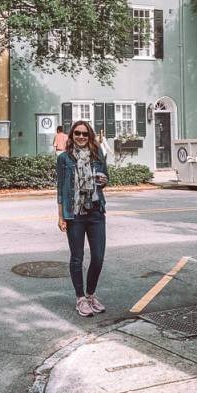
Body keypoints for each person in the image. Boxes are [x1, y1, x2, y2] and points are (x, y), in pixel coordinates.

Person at [56, 120, 109, 317]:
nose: (81, 137)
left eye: (85, 134)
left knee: (98, 257)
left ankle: (91, 294)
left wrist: (103, 181)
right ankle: (80, 298)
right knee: (77, 257)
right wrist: (61, 216)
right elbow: (61, 189)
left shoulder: (97, 154)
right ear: (71, 136)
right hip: (74, 213)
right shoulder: (64, 158)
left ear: (90, 136)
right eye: (77, 133)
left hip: (95, 211)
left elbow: (105, 177)